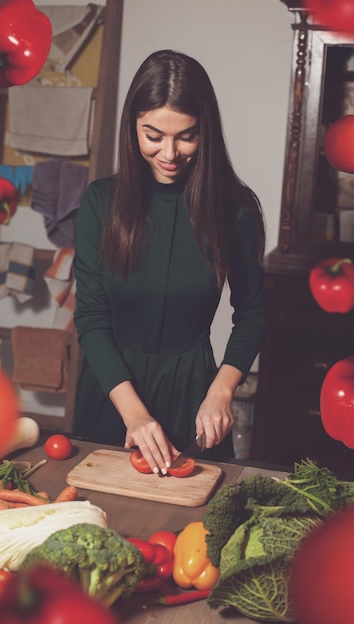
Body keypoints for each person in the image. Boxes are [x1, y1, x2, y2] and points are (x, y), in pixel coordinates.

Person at [73, 49, 266, 475]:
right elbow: (89, 316)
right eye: (154, 135)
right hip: (111, 389)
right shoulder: (100, 203)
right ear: (133, 127)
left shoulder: (235, 211)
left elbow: (252, 313)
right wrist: (133, 414)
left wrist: (221, 392)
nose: (170, 153)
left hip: (192, 395)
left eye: (187, 136)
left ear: (206, 132)